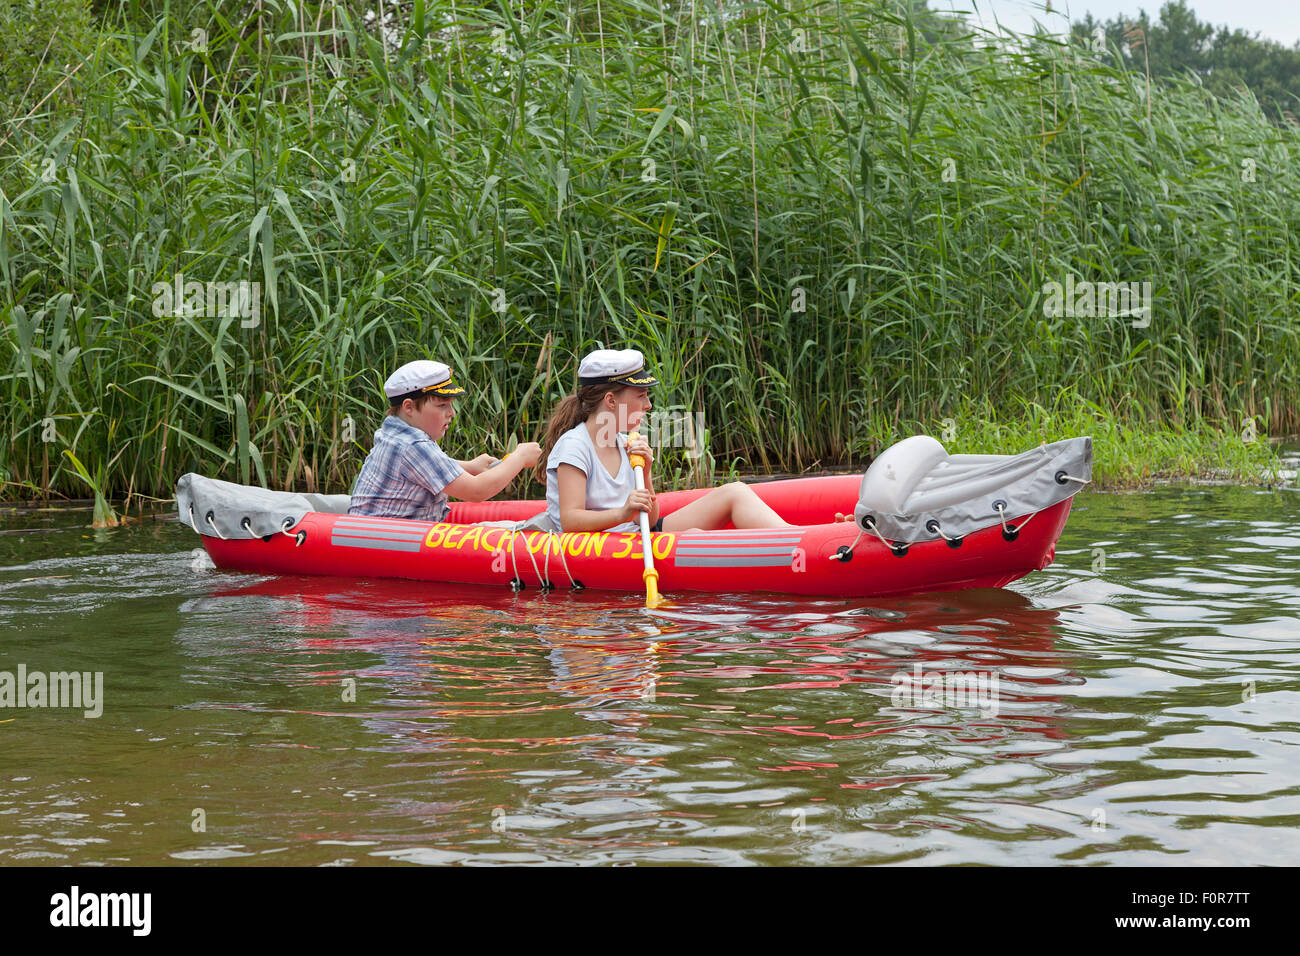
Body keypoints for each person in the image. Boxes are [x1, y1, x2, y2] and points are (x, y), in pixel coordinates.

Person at [537, 348, 791, 533]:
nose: (648, 405)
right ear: (611, 400)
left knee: (735, 492)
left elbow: (648, 519)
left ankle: (801, 538)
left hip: (635, 536)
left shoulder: (624, 442)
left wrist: (645, 473)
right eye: (641, 395)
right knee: (694, 538)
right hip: (602, 549)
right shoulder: (574, 446)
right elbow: (570, 521)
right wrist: (623, 513)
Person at [349, 359, 540, 521]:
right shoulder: (414, 445)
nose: (451, 413)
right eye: (442, 405)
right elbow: (477, 491)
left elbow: (420, 467)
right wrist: (520, 457)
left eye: (450, 405)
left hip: (373, 535)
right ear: (409, 407)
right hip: (383, 545)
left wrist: (469, 466)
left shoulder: (393, 432)